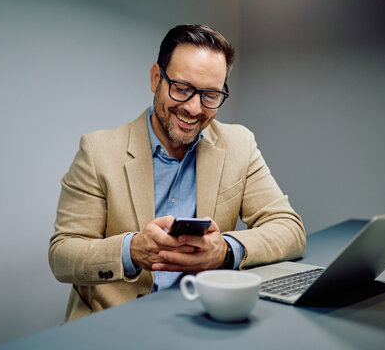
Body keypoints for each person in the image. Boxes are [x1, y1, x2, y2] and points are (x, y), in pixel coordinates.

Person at [49, 24, 305, 322]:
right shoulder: (97, 151)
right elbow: (63, 255)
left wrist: (224, 250)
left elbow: (289, 228)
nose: (194, 108)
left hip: (204, 320)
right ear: (156, 78)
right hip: (116, 324)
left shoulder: (239, 144)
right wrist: (132, 250)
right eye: (182, 89)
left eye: (210, 95)